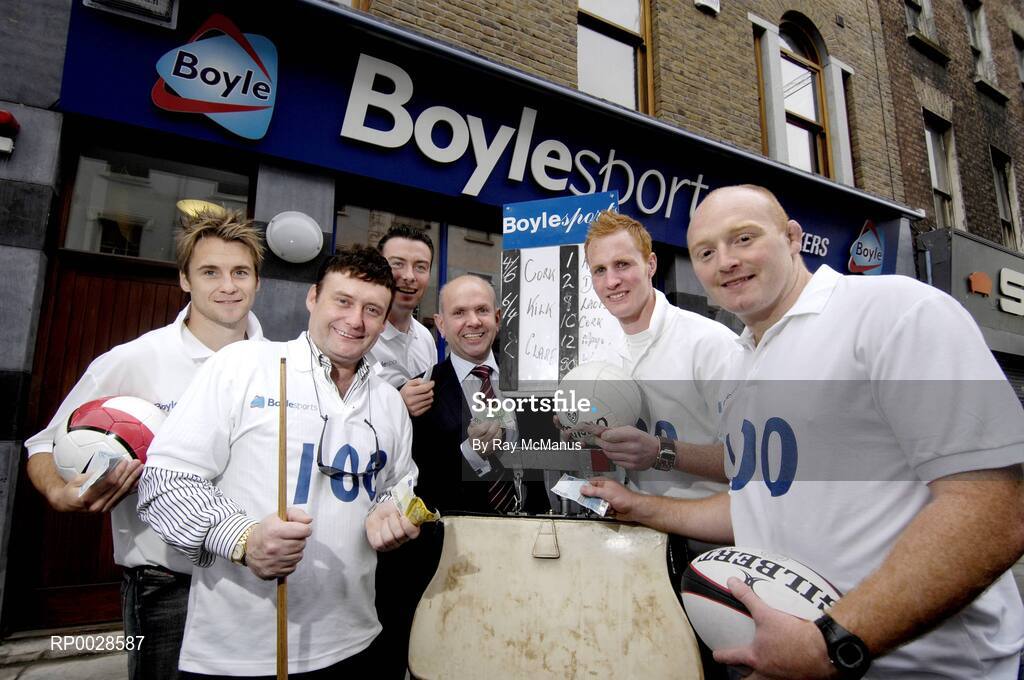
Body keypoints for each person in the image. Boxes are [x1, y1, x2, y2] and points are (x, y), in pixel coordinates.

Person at [584, 184, 1024, 679]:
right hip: (796, 656)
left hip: (928, 668)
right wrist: (639, 506)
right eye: (706, 252)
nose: (726, 261)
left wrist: (829, 642)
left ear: (792, 237)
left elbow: (994, 509)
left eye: (744, 238)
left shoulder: (895, 311)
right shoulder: (745, 361)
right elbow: (754, 502)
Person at [137, 245, 420, 679]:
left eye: (372, 310)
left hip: (358, 640)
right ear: (313, 297)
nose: (355, 320)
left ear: (384, 322)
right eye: (342, 301)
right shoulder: (244, 365)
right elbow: (166, 482)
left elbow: (399, 484)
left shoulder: (389, 402)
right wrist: (243, 539)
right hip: (241, 654)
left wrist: (392, 510)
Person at [23, 210, 266, 680]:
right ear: (184, 280)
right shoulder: (134, 359)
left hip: (250, 576)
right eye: (210, 272)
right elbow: (43, 444)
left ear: (258, 282)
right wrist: (59, 491)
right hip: (165, 585)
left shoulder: (277, 365)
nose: (228, 286)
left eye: (240, 272)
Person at [376, 274, 549, 679]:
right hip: (451, 567)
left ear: (498, 317)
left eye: (482, 310)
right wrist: (472, 454)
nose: (472, 321)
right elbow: (413, 484)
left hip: (527, 557)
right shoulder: (418, 394)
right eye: (459, 312)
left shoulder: (534, 383)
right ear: (440, 323)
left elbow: (547, 461)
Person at [583, 211, 737, 501]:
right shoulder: (599, 356)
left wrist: (661, 451)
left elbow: (751, 461)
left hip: (707, 525)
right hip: (632, 521)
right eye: (599, 270)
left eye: (622, 264)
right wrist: (582, 430)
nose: (611, 281)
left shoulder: (711, 344)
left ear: (650, 264)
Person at [366, 225, 437, 416]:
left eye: (420, 267)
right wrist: (397, 401)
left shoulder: (426, 338)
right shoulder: (358, 333)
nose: (409, 276)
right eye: (397, 264)